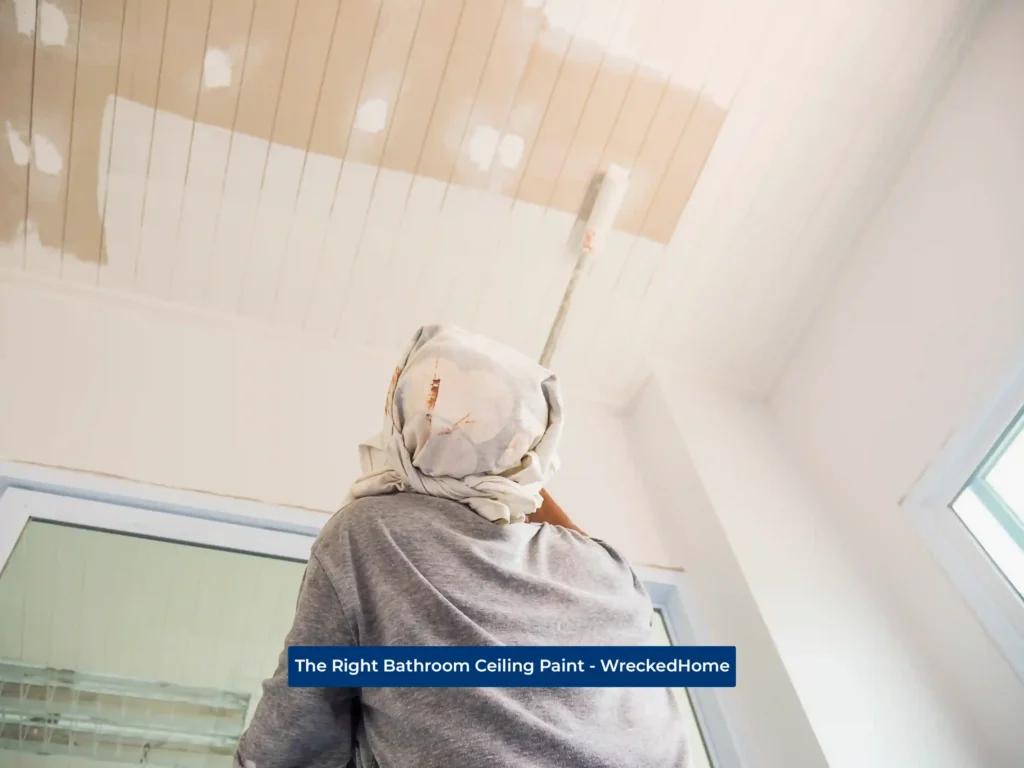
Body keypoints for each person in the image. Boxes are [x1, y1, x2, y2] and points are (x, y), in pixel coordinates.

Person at [234, 325, 688, 768]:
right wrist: (520, 474)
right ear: (536, 446)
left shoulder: (370, 532)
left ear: (399, 411)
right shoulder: (607, 568)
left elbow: (292, 738)